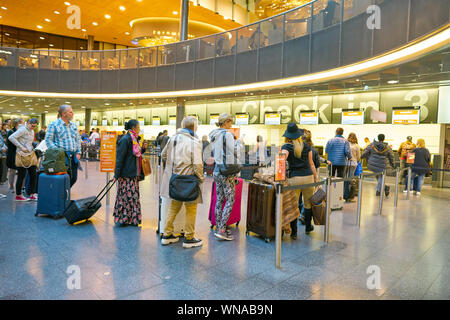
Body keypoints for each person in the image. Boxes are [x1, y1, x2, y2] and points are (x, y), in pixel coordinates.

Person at [160, 116, 204, 248]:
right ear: (194, 127)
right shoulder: (194, 142)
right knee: (191, 208)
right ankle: (189, 238)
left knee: (174, 206)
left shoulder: (172, 139)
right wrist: (201, 178)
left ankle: (167, 235)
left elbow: (163, 155)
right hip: (189, 180)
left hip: (175, 178)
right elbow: (197, 165)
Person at [281, 123, 318, 238]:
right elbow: (312, 164)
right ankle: (308, 227)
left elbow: (281, 160)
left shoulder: (286, 146)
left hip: (295, 179)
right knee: (308, 204)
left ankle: (294, 232)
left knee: (294, 206)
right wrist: (316, 178)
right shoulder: (307, 146)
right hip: (308, 177)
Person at [209, 113, 239, 241]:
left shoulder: (213, 135)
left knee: (219, 199)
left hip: (217, 170)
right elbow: (234, 151)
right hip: (227, 171)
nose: (231, 125)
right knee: (230, 199)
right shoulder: (227, 134)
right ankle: (222, 230)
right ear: (226, 122)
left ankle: (218, 226)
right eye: (230, 122)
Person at [113, 120, 148, 226]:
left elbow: (135, 154)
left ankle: (132, 219)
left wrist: (144, 149)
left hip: (133, 174)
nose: (139, 129)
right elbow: (120, 158)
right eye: (138, 127)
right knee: (126, 197)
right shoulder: (126, 139)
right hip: (126, 174)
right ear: (133, 128)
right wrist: (116, 174)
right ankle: (124, 219)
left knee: (133, 197)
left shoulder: (133, 139)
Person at [45, 105, 82, 187]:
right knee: (62, 178)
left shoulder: (73, 125)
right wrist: (57, 152)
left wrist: (79, 152)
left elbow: (78, 140)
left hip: (73, 156)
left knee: (73, 178)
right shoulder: (54, 124)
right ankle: (62, 197)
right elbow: (48, 140)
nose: (73, 113)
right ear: (64, 113)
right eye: (71, 112)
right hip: (61, 157)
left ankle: (64, 195)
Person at [8, 118, 39, 202]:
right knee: (21, 175)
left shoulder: (31, 131)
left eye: (35, 127)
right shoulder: (22, 129)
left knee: (33, 174)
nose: (33, 128)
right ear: (28, 123)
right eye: (32, 126)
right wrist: (21, 147)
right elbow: (11, 137)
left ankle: (32, 194)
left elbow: (29, 142)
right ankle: (18, 195)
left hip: (30, 155)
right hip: (21, 155)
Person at [6, 118, 24, 193]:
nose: (24, 124)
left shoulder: (22, 131)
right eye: (22, 122)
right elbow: (10, 143)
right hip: (12, 153)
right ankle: (11, 186)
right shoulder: (11, 132)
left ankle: (21, 187)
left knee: (22, 171)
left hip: (21, 153)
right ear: (18, 123)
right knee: (12, 170)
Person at [344, 133, 361, 202]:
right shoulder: (357, 146)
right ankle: (350, 195)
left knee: (345, 178)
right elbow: (359, 157)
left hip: (345, 163)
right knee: (350, 179)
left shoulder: (345, 144)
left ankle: (345, 194)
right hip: (353, 164)